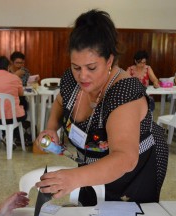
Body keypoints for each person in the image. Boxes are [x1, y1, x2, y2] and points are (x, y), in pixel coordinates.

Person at [35, 9, 168, 205]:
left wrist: (73, 178)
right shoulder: (72, 80)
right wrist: (51, 127)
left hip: (133, 172)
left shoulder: (124, 93)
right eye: (76, 67)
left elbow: (124, 158)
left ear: (110, 60)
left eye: (91, 68)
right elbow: (60, 102)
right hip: (90, 166)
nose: (82, 76)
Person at [0, 55, 32, 146]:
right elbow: (21, 94)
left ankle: (6, 136)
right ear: (8, 66)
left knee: (6, 112)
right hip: (11, 117)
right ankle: (12, 137)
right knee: (20, 112)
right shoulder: (15, 78)